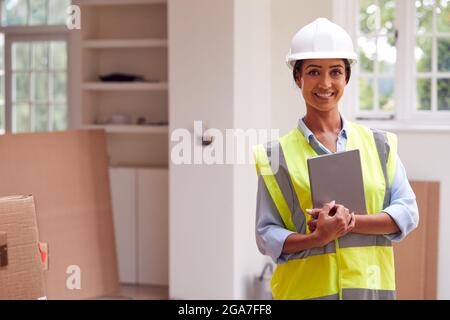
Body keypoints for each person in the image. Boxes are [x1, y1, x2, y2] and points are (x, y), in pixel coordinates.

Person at [253, 17, 419, 300]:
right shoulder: (275, 156)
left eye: (336, 72)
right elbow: (266, 235)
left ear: (346, 77)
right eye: (315, 72)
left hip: (368, 293)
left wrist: (349, 221)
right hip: (304, 294)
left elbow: (406, 213)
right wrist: (316, 239)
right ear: (298, 77)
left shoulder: (380, 145)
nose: (326, 83)